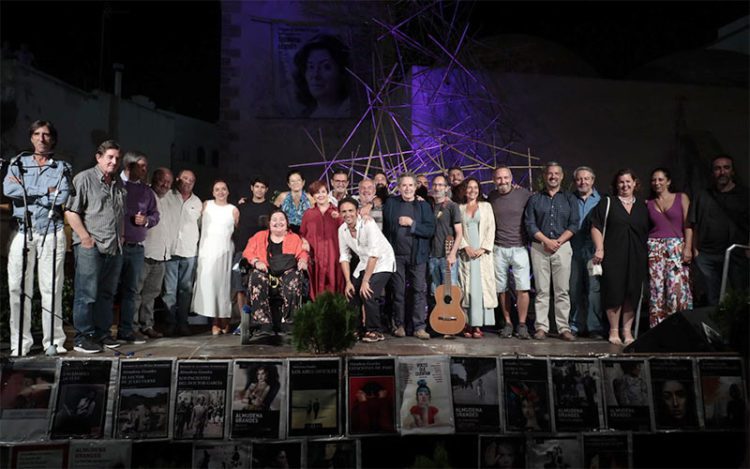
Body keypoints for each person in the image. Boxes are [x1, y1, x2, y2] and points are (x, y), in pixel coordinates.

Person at [4, 120, 70, 356]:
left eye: (46, 134)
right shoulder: (18, 163)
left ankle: (53, 342)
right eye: (37, 134)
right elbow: (9, 190)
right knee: (17, 288)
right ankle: (20, 345)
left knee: (51, 288)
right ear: (31, 137)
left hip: (52, 231)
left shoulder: (61, 167)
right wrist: (44, 192)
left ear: (52, 139)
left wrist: (26, 191)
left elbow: (61, 195)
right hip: (24, 230)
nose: (42, 138)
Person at [65, 140, 125, 353]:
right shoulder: (84, 179)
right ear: (98, 157)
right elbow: (71, 211)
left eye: (117, 158)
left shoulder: (117, 182)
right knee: (86, 293)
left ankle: (102, 333)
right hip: (91, 246)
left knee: (106, 294)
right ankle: (83, 337)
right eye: (109, 157)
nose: (114, 161)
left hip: (114, 247)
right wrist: (85, 239)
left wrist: (122, 237)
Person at [591, 169, 649, 346]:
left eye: (628, 182)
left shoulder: (643, 205)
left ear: (634, 183)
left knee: (632, 293)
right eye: (621, 182)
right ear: (616, 185)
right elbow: (596, 226)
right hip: (614, 255)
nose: (625, 185)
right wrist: (599, 249)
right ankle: (614, 330)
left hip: (637, 255)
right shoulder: (607, 202)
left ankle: (627, 331)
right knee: (614, 292)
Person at [524, 162, 579, 341]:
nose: (553, 176)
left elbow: (574, 223)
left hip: (562, 247)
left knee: (562, 290)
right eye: (549, 173)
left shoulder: (570, 198)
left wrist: (558, 242)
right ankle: (541, 327)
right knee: (542, 290)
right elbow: (530, 224)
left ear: (562, 176)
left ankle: (563, 327)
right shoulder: (534, 199)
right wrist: (547, 241)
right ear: (544, 176)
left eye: (556, 174)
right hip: (540, 247)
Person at [688, 154, 749, 305]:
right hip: (707, 256)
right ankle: (715, 329)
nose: (722, 172)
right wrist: (694, 250)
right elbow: (693, 223)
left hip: (736, 254)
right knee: (713, 299)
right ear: (713, 173)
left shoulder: (745, 195)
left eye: (726, 168)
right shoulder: (702, 195)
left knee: (739, 297)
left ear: (732, 171)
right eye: (717, 168)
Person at [382, 172, 436, 339]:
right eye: (404, 185)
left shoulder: (423, 206)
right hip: (396, 256)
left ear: (415, 187)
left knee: (419, 291)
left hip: (418, 257)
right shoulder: (391, 203)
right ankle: (399, 325)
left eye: (410, 185)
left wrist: (412, 224)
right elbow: (384, 223)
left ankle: (419, 327)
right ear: (399, 188)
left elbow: (430, 230)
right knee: (398, 292)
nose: (407, 188)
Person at [338, 197, 396, 342]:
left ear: (357, 211)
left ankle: (375, 330)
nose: (347, 214)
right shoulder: (342, 230)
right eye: (343, 211)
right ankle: (356, 329)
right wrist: (348, 282)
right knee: (351, 293)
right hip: (365, 262)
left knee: (368, 292)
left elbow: (374, 255)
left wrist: (365, 281)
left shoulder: (368, 224)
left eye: (350, 210)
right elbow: (344, 256)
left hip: (383, 261)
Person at [117, 151, 159, 344]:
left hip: (136, 248)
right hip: (115, 246)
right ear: (128, 166)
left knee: (132, 291)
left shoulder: (146, 190)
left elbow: (155, 215)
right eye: (141, 166)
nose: (145, 170)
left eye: (145, 166)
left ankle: (127, 330)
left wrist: (146, 221)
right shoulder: (115, 185)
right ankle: (100, 331)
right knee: (107, 290)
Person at [487, 166, 532, 339]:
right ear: (494, 180)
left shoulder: (524, 195)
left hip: (520, 248)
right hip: (498, 249)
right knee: (502, 289)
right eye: (499, 178)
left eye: (506, 178)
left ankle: (521, 324)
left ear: (511, 178)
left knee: (523, 288)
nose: (502, 181)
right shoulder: (492, 197)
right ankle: (508, 323)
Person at [243, 210, 309, 327]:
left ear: (287, 223)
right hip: (265, 271)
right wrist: (256, 261)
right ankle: (263, 322)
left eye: (281, 219)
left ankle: (290, 322)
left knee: (294, 278)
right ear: (269, 223)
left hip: (287, 271)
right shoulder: (259, 236)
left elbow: (302, 253)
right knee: (256, 277)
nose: (278, 222)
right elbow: (248, 252)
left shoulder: (294, 238)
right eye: (274, 219)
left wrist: (303, 261)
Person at [133, 168, 176, 339]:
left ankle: (147, 325)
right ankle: (133, 327)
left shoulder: (168, 200)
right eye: (162, 180)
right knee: (136, 293)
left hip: (161, 254)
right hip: (145, 251)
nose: (165, 185)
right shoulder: (146, 195)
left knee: (151, 294)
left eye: (168, 182)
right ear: (154, 179)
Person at [192, 180, 239, 334]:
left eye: (223, 189)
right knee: (209, 285)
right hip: (207, 251)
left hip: (225, 251)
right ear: (213, 192)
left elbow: (236, 231)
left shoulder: (233, 210)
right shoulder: (206, 205)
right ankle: (214, 320)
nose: (220, 192)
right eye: (217, 189)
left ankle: (224, 318)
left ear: (228, 191)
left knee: (224, 286)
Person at [647, 168, 693, 327]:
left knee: (676, 289)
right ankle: (658, 329)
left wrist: (688, 247)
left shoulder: (681, 198)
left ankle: (680, 327)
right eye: (654, 180)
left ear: (668, 181)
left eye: (660, 179)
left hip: (676, 246)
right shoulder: (649, 203)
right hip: (655, 247)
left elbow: (688, 224)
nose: (657, 183)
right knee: (656, 289)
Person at [232, 177, 276, 331]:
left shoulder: (272, 208)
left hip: (264, 254)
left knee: (263, 285)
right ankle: (242, 322)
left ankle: (263, 319)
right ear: (252, 188)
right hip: (242, 252)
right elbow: (236, 226)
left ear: (266, 189)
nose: (259, 189)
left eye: (262, 187)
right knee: (240, 286)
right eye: (256, 186)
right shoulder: (242, 207)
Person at [162, 169, 202, 337]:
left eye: (191, 180)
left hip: (189, 251)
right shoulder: (167, 196)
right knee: (169, 290)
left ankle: (183, 323)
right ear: (178, 179)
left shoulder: (198, 202)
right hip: (170, 250)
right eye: (185, 179)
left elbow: (200, 226)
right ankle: (170, 324)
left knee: (185, 290)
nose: (187, 182)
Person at [458, 177, 497, 338]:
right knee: (466, 289)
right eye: (469, 187)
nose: (472, 190)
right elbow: (456, 230)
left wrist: (484, 248)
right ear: (464, 190)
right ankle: (466, 323)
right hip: (467, 253)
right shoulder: (459, 208)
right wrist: (465, 246)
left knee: (481, 289)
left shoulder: (486, 206)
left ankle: (478, 325)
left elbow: (491, 227)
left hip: (482, 254)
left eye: (475, 187)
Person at [569, 166, 604, 339]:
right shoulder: (569, 199)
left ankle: (594, 327)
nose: (583, 182)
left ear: (593, 180)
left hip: (593, 252)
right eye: (579, 179)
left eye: (586, 178)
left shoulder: (602, 201)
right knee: (574, 289)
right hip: (573, 250)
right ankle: (575, 325)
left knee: (593, 291)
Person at [300, 180, 344, 299]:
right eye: (316, 193)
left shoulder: (337, 211)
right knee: (316, 289)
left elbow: (348, 231)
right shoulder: (308, 214)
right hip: (315, 257)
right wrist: (304, 243)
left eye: (323, 192)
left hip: (334, 255)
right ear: (313, 196)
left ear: (327, 193)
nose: (320, 195)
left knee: (335, 286)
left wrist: (340, 218)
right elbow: (302, 234)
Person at [428, 175, 463, 324]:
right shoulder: (429, 206)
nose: (437, 188)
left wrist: (453, 253)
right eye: (435, 185)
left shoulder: (452, 206)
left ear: (447, 188)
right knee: (435, 291)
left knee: (451, 292)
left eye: (441, 185)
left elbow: (459, 233)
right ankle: (438, 323)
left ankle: (452, 322)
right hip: (432, 256)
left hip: (447, 256)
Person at [292, 34, 351, 118]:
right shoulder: (304, 117)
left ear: (342, 73)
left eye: (326, 67)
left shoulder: (354, 113)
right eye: (311, 67)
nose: (316, 75)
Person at [274, 169, 313, 234]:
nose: (296, 183)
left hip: (306, 232)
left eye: (298, 180)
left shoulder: (310, 198)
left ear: (303, 182)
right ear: (288, 184)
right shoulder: (282, 196)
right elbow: (274, 214)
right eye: (292, 181)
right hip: (286, 233)